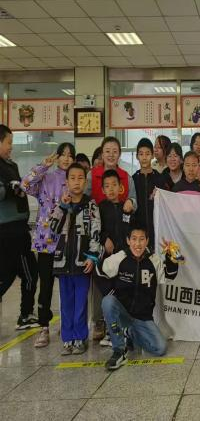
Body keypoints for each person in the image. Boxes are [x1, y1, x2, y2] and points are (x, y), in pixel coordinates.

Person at [99, 226, 179, 370]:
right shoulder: (120, 257)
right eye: (134, 239)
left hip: (143, 317)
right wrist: (110, 290)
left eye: (142, 239)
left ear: (147, 241)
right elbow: (99, 271)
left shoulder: (153, 260)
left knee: (160, 348)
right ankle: (119, 351)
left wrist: (171, 256)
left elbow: (169, 276)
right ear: (128, 241)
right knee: (108, 301)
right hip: (122, 313)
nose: (138, 244)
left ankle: (129, 333)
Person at [21, 143, 75, 347]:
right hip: (46, 241)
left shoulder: (75, 179)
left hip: (67, 240)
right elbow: (25, 185)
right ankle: (44, 326)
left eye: (70, 155)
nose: (66, 158)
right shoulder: (46, 177)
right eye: (63, 154)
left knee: (67, 285)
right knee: (45, 285)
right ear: (57, 157)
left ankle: (67, 323)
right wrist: (43, 165)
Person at [86, 136, 136, 342]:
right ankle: (99, 321)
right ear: (102, 152)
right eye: (107, 150)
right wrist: (103, 238)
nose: (111, 154)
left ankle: (121, 322)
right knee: (100, 283)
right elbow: (87, 203)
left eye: (115, 151)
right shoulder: (92, 175)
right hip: (101, 242)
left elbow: (133, 202)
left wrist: (130, 202)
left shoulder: (126, 176)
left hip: (122, 246)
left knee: (121, 282)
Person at [49, 163, 101, 355]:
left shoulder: (91, 205)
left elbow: (96, 232)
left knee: (81, 303)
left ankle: (80, 337)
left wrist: (93, 257)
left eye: (80, 178)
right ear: (66, 182)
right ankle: (67, 338)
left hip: (82, 263)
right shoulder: (61, 204)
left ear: (85, 181)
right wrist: (62, 207)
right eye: (73, 178)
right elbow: (53, 228)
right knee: (66, 303)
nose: (76, 182)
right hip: (63, 263)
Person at [0, 125, 38, 331]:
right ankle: (25, 314)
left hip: (19, 227)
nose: (11, 147)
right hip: (9, 230)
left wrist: (21, 188)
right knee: (27, 272)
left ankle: (26, 314)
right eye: (8, 143)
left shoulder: (11, 165)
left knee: (12, 273)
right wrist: (10, 188)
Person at [96, 169, 133, 347]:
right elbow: (96, 229)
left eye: (114, 185)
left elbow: (133, 230)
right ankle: (111, 332)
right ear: (103, 190)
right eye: (107, 186)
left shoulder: (127, 207)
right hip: (108, 258)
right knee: (109, 294)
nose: (111, 189)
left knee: (124, 293)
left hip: (124, 258)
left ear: (121, 187)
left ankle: (126, 330)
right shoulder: (100, 208)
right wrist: (105, 239)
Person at [132, 138, 167, 251]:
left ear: (152, 155)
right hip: (139, 231)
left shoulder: (160, 178)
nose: (144, 157)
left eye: (147, 154)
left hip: (157, 228)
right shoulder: (133, 179)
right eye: (141, 154)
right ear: (137, 156)